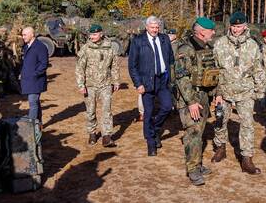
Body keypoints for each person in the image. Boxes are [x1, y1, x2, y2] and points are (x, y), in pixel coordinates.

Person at [212, 12, 265, 175]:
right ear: (230, 26)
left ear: (245, 26)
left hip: (245, 91)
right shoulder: (220, 43)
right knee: (220, 119)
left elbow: (258, 68)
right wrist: (217, 92)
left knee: (247, 124)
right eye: (234, 26)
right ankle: (220, 147)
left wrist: (259, 89)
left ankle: (246, 158)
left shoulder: (253, 45)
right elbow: (214, 69)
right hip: (224, 90)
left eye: (239, 26)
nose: (236, 30)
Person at [171, 17, 222, 185]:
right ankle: (193, 169)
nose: (214, 32)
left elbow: (212, 72)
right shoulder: (186, 48)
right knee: (193, 132)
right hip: (190, 98)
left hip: (204, 96)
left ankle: (197, 164)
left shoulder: (207, 47)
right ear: (201, 32)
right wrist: (191, 101)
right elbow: (182, 77)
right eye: (211, 30)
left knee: (199, 132)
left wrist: (216, 93)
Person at [128, 15, 174, 156]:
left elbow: (171, 59)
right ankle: (151, 143)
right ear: (147, 27)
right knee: (148, 112)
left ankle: (154, 129)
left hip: (163, 80)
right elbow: (132, 66)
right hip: (146, 82)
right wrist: (138, 84)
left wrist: (171, 78)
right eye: (152, 27)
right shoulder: (138, 41)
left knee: (167, 107)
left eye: (157, 27)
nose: (155, 30)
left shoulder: (164, 39)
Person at [76, 23, 119, 147]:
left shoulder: (110, 48)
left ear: (101, 34)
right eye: (91, 34)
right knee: (90, 111)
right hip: (90, 85)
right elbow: (79, 68)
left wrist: (116, 81)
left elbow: (114, 66)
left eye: (95, 34)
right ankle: (92, 133)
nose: (92, 36)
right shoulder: (86, 48)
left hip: (105, 84)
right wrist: (81, 84)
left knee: (107, 110)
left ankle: (107, 136)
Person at [19, 26, 49, 125]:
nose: (23, 37)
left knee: (33, 103)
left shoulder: (40, 46)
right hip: (28, 80)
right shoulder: (27, 46)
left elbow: (44, 64)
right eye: (22, 35)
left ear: (32, 34)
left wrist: (34, 74)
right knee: (35, 102)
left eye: (25, 35)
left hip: (36, 80)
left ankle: (31, 126)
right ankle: (39, 124)